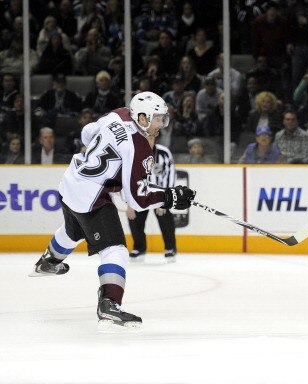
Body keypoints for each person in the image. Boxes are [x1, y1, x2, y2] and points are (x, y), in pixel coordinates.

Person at [29, 91, 196, 331]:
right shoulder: (140, 147)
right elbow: (137, 199)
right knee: (115, 249)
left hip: (71, 181)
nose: (161, 124)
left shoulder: (117, 114)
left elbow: (87, 133)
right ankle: (109, 303)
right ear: (142, 117)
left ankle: (49, 260)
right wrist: (169, 197)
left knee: (72, 230)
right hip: (92, 197)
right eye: (157, 118)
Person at [127, 140, 178, 264]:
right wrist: (129, 202)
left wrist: (166, 199)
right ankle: (139, 248)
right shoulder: (132, 152)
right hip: (141, 193)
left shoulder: (164, 153)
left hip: (160, 194)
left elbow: (171, 175)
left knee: (165, 216)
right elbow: (128, 177)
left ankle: (170, 248)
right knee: (133, 217)